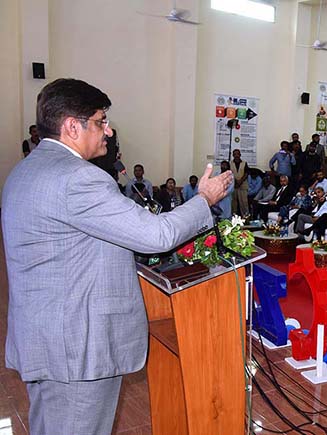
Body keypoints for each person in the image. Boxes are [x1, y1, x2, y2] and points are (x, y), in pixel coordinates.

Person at [1, 78, 232, 435]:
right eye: (100, 121)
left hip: (48, 340)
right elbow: (157, 236)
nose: (108, 132)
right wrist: (204, 199)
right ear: (72, 126)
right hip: (78, 352)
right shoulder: (77, 178)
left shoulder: (26, 170)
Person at [230, 148, 250, 216]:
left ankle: (246, 218)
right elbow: (229, 173)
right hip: (233, 185)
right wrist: (235, 181)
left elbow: (246, 173)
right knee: (233, 203)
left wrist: (240, 181)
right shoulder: (230, 163)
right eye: (235, 154)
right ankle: (233, 218)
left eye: (238, 154)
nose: (236, 155)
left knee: (244, 203)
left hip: (243, 185)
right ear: (233, 155)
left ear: (240, 155)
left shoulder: (244, 163)